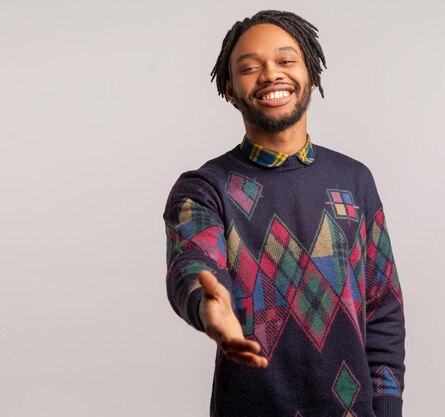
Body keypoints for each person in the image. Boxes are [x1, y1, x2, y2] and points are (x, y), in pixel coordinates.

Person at [164, 10, 405, 417]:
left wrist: (387, 408)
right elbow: (193, 263)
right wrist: (207, 304)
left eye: (286, 60)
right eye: (250, 67)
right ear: (228, 88)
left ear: (310, 73)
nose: (270, 74)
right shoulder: (204, 188)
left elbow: (382, 309)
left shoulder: (353, 181)